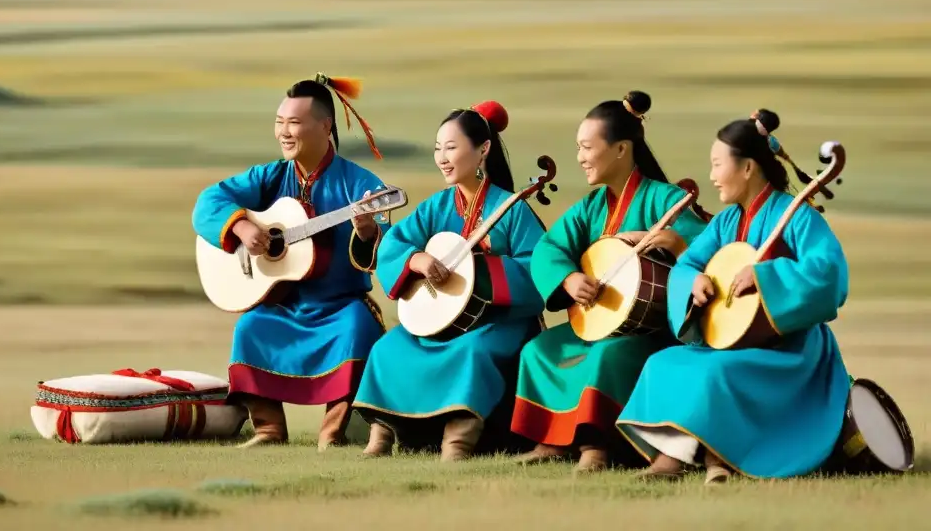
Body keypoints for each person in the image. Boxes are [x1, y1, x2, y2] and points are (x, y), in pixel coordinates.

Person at [616, 109, 850, 483]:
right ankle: (669, 458)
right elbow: (689, 263)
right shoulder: (726, 222)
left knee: (717, 372)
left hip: (788, 347)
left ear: (747, 168)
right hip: (733, 339)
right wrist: (693, 282)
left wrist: (767, 274)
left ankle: (717, 460)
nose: (710, 176)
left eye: (716, 164)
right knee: (664, 363)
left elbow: (830, 275)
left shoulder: (797, 216)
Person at [510, 91, 710, 472]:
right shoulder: (591, 206)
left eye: (588, 147)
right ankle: (551, 440)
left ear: (621, 149)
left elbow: (708, 248)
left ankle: (597, 445)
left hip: (648, 331)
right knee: (539, 350)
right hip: (599, 324)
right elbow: (548, 247)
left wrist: (676, 242)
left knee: (608, 355)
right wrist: (568, 279)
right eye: (578, 147)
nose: (581, 157)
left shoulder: (667, 200)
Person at [192, 73, 390, 452]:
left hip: (339, 305)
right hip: (283, 304)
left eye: (294, 123)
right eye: (280, 122)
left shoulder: (362, 185)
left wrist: (366, 232)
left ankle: (332, 433)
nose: (283, 131)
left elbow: (381, 248)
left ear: (325, 126)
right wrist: (242, 226)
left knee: (357, 329)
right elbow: (207, 202)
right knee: (250, 327)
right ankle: (268, 429)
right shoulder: (269, 176)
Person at [353, 101, 547, 461]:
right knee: (389, 346)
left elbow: (537, 268)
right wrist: (417, 259)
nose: (442, 157)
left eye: (452, 148)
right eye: (438, 148)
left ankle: (457, 441)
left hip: (497, 321)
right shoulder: (436, 206)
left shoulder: (512, 208)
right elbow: (397, 242)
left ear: (483, 150)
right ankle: (381, 437)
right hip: (442, 319)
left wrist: (482, 271)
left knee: (473, 353)